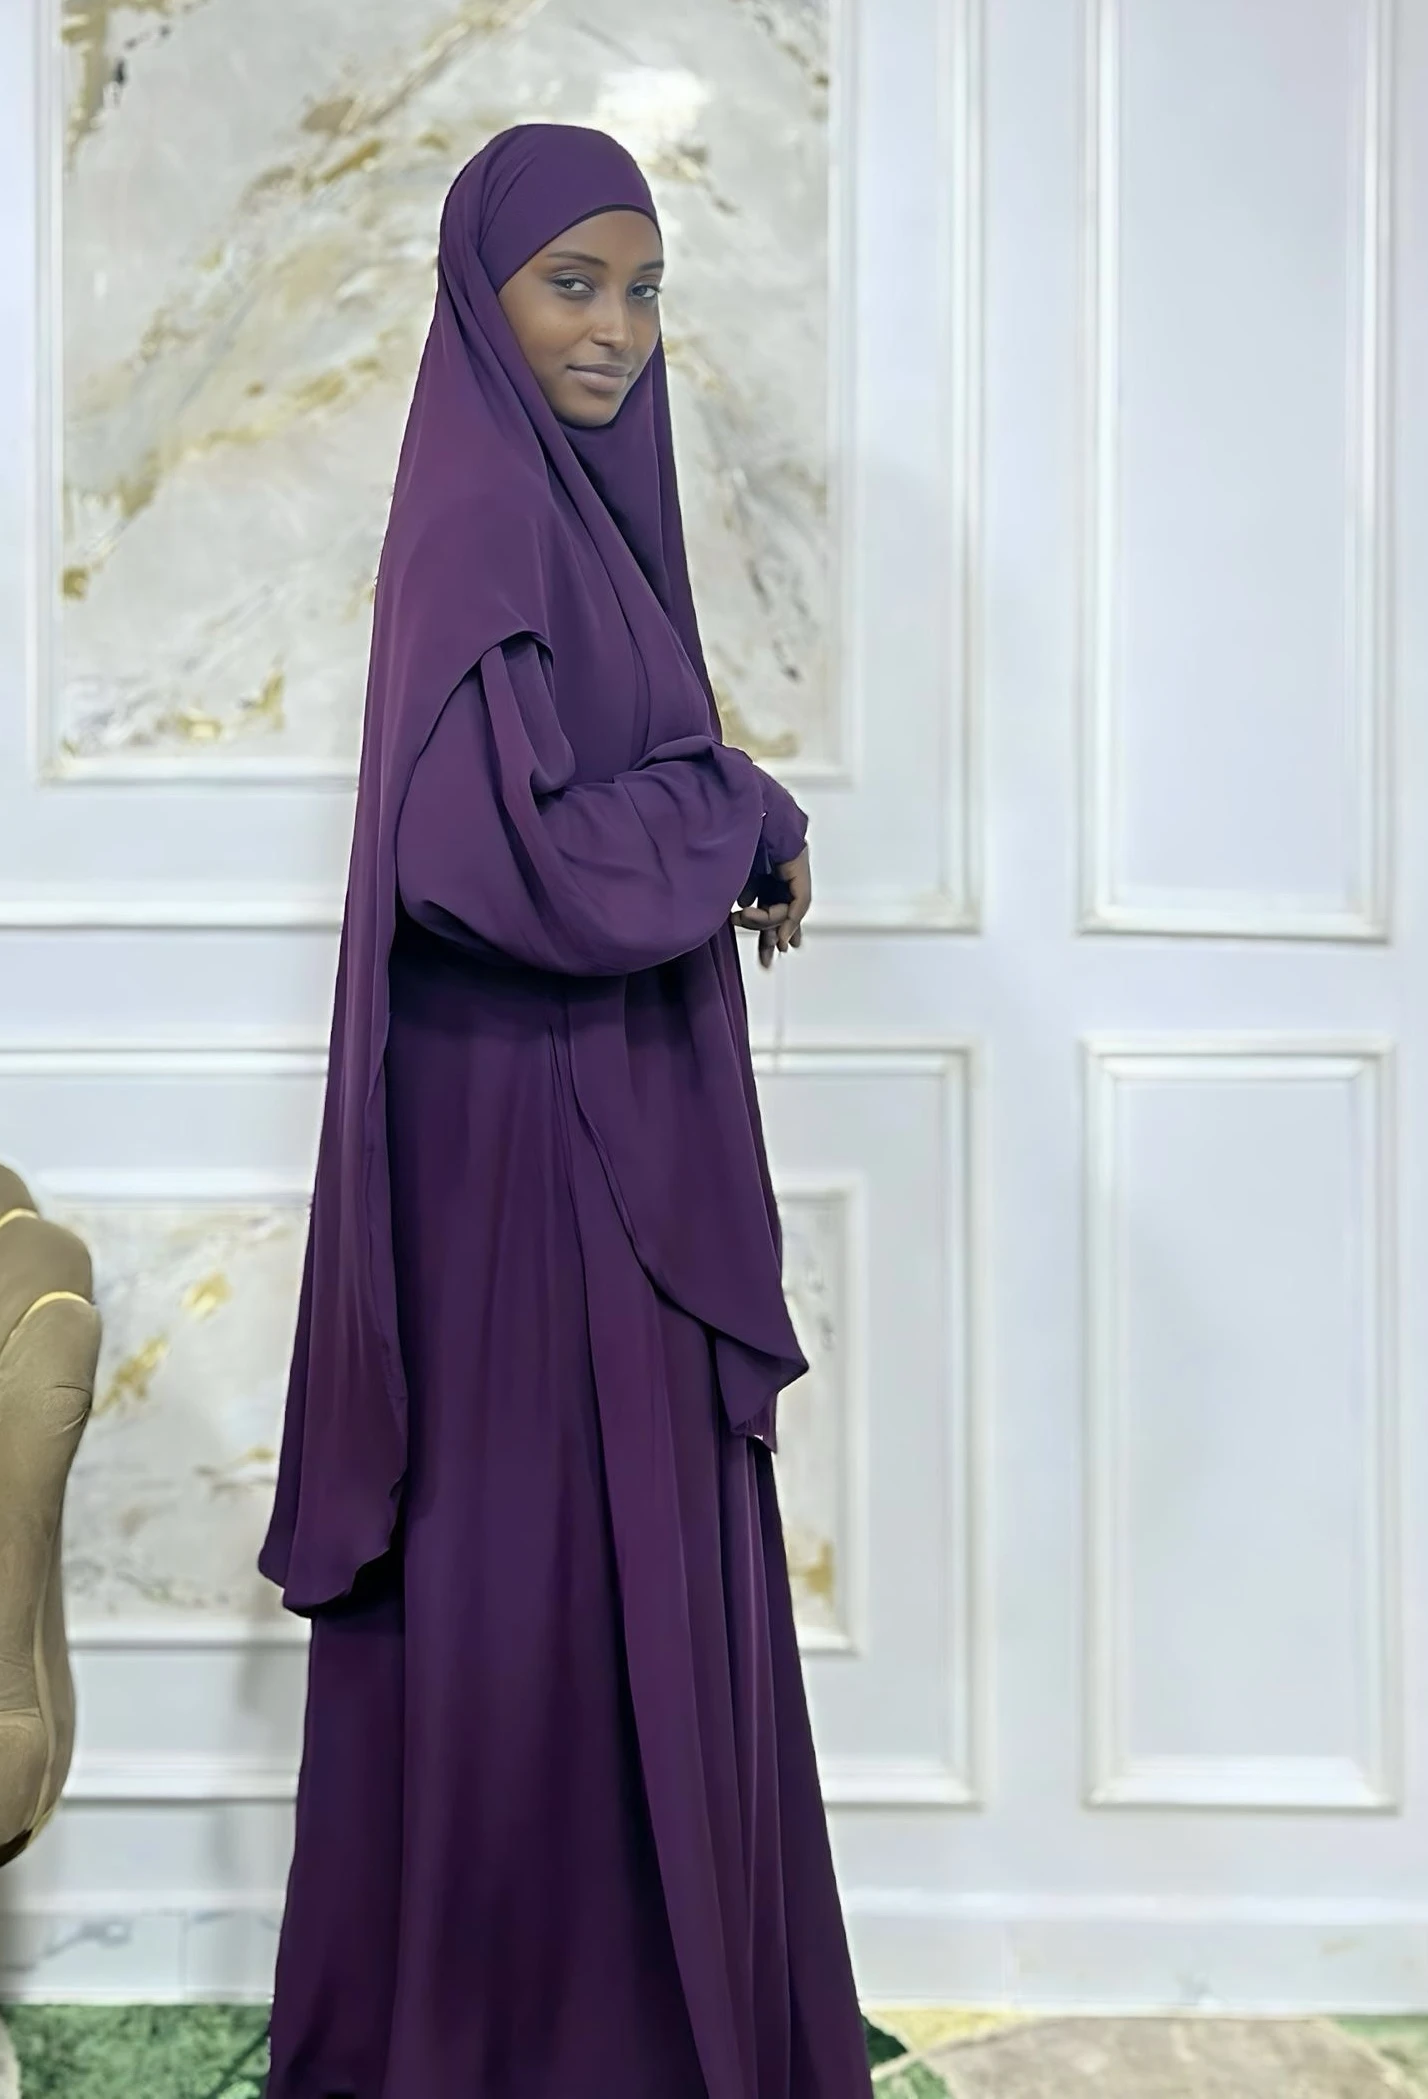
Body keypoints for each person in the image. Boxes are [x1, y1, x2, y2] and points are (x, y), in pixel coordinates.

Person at [259, 122, 871, 2099]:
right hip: (526, 1154)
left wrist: (724, 807)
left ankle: (625, 2028)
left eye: (641, 290)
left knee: (598, 1574)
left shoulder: (569, 515)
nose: (612, 329)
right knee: (539, 1574)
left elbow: (606, 790)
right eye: (570, 285)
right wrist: (730, 809)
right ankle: (535, 2043)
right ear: (484, 295)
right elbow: (483, 854)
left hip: (585, 1124)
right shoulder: (483, 520)